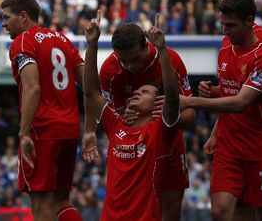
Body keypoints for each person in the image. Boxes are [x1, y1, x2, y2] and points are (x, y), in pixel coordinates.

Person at [181, 0, 262, 221]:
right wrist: (214, 93)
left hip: (261, 148)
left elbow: (241, 102)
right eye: (222, 25)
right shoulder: (226, 47)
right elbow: (231, 91)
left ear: (250, 20)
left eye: (231, 25)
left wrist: (192, 101)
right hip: (229, 148)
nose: (225, 31)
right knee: (220, 211)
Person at [82, 19, 196, 221]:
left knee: (170, 209)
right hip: (129, 137)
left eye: (135, 59)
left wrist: (162, 51)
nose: (130, 66)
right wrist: (92, 44)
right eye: (124, 61)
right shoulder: (110, 71)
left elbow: (185, 112)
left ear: (146, 46)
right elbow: (91, 93)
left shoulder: (170, 62)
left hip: (162, 141)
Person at [1, 0, 82, 221]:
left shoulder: (22, 42)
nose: (4, 23)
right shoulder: (63, 40)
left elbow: (33, 88)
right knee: (62, 200)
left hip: (42, 130)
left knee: (41, 203)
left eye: (7, 17)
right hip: (69, 128)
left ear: (23, 16)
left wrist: (24, 132)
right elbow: (88, 84)